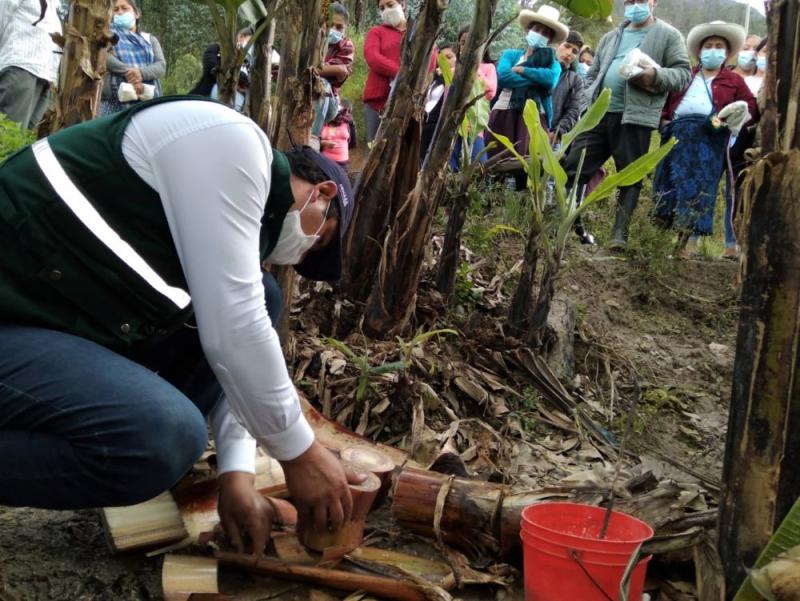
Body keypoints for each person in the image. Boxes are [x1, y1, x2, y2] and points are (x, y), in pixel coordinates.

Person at [0, 97, 360, 554]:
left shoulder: (218, 205)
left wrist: (237, 473)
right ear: (322, 193)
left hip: (49, 323)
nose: (299, 254)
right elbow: (234, 330)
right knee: (163, 437)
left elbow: (235, 346)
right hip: (12, 319)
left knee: (265, 296)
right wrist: (301, 454)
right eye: (316, 243)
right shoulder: (230, 144)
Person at [562, 0, 691, 249]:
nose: (634, 4)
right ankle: (567, 223)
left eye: (640, 0)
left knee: (630, 175)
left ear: (654, 2)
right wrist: (588, 98)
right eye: (629, 1)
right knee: (575, 165)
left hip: (635, 117)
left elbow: (683, 74)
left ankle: (618, 234)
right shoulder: (611, 36)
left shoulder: (668, 35)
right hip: (598, 114)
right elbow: (593, 73)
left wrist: (653, 76)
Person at [653, 21, 757, 258]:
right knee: (666, 183)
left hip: (710, 138)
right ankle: (657, 242)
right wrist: (664, 122)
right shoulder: (686, 75)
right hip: (676, 134)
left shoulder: (734, 80)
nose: (713, 49)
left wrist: (732, 120)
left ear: (726, 52)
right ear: (699, 51)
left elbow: (750, 106)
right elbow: (664, 102)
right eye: (708, 45)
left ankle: (687, 246)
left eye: (719, 45)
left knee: (699, 188)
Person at [486, 5, 566, 190]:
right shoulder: (511, 54)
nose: (540, 34)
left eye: (545, 33)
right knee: (497, 159)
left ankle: (521, 206)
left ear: (550, 39)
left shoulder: (553, 62)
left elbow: (551, 79)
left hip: (534, 116)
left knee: (528, 163)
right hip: (504, 111)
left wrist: (523, 70)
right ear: (528, 30)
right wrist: (535, 80)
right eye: (537, 29)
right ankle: (491, 204)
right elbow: (504, 76)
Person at [0, 0, 61, 129]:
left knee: (25, 139)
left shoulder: (55, 3)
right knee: (11, 133)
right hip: (21, 65)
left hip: (45, 75)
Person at [100, 0, 166, 116]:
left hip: (149, 102)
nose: (120, 12)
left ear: (136, 14)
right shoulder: (107, 36)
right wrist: (131, 74)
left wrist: (141, 73)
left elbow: (161, 66)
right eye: (115, 10)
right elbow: (104, 56)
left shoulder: (149, 39)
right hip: (114, 106)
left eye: (124, 8)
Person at [447, 25, 498, 171]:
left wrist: (475, 70)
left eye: (473, 42)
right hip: (453, 125)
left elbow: (490, 91)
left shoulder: (488, 68)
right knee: (450, 166)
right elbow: (447, 98)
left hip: (475, 125)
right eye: (463, 42)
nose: (468, 46)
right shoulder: (452, 70)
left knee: (479, 165)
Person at [363, 0, 408, 146]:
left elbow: (430, 58)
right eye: (382, 8)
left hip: (407, 102)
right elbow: (372, 56)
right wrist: (400, 73)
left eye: (390, 5)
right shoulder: (376, 32)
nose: (386, 10)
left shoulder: (416, 32)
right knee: (375, 149)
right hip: (378, 102)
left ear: (402, 4)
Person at [312, 2, 356, 147]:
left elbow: (315, 71)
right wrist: (336, 69)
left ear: (346, 28)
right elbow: (332, 70)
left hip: (329, 102)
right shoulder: (312, 38)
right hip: (306, 93)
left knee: (322, 85)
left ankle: (313, 138)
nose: (333, 30)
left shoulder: (346, 45)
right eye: (330, 24)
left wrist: (314, 69)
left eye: (339, 27)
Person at [552, 30, 587, 140]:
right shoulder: (540, 66)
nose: (569, 53)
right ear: (558, 44)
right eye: (567, 46)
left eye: (575, 51)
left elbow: (574, 111)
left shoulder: (575, 80)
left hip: (551, 136)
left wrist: (557, 133)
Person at [321, 101, 355, 169]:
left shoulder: (347, 123)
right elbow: (314, 140)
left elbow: (352, 142)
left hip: (342, 163)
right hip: (325, 162)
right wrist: (323, 143)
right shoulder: (322, 122)